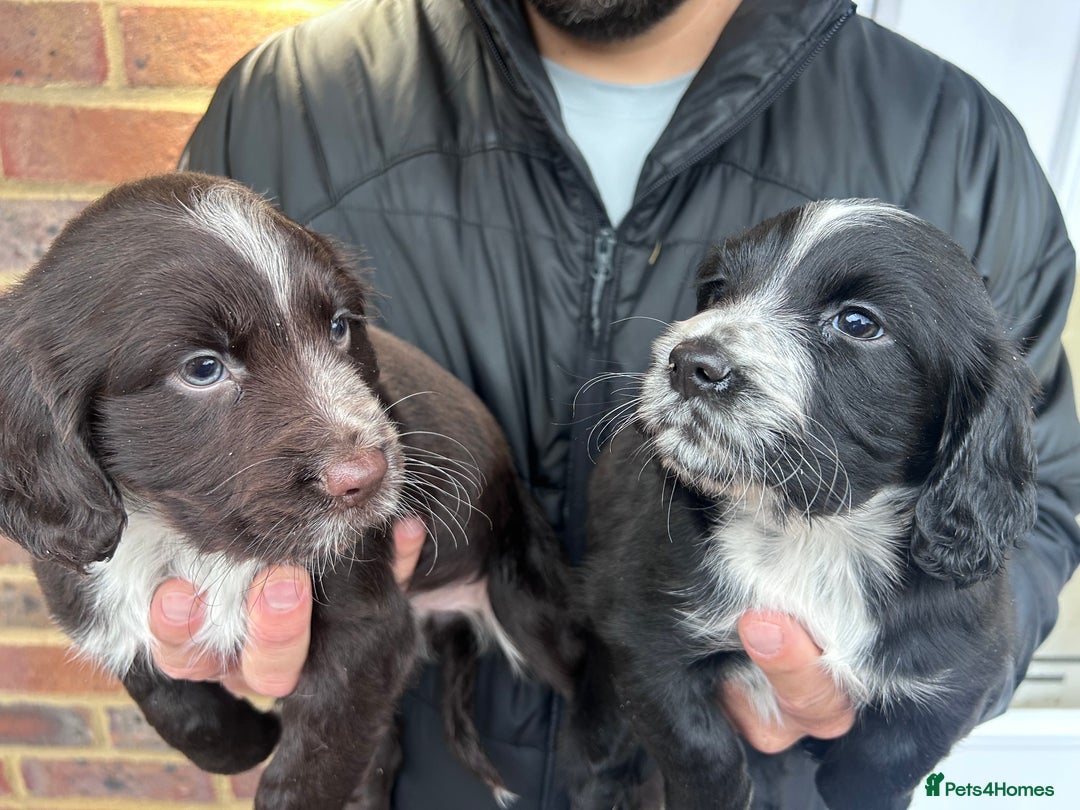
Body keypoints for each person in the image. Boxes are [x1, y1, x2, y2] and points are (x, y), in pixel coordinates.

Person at [147, 0, 1080, 807]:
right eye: (722, 293)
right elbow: (146, 418)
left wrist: (898, 709)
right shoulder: (281, 105)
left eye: (856, 323)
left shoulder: (962, 142)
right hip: (420, 762)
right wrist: (188, 594)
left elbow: (1030, 499)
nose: (702, 346)